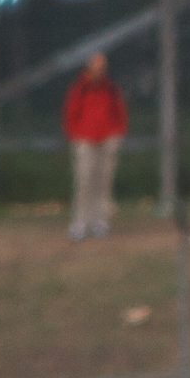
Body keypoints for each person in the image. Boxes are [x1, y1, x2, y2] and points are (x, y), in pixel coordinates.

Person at [63, 52, 128, 240]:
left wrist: (117, 134)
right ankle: (80, 222)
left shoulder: (111, 89)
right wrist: (76, 135)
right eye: (96, 68)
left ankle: (100, 221)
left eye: (103, 68)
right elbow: (71, 114)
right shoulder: (80, 89)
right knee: (84, 181)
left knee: (104, 181)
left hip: (107, 139)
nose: (100, 71)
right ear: (89, 69)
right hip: (84, 139)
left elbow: (120, 112)